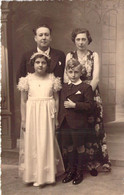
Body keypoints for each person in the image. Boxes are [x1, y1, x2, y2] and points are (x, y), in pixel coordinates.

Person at [64, 28, 111, 175]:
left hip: (90, 93)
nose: (81, 42)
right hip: (74, 95)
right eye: (78, 39)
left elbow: (95, 77)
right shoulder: (70, 55)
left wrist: (85, 93)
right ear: (74, 40)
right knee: (78, 128)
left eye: (83, 39)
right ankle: (79, 164)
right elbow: (66, 78)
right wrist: (76, 95)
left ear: (88, 40)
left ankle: (95, 162)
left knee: (94, 127)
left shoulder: (94, 55)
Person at [17, 52, 64, 187]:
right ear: (33, 64)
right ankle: (34, 175)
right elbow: (23, 101)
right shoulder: (27, 80)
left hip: (47, 114)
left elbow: (56, 99)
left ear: (47, 65)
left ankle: (46, 175)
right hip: (32, 114)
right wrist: (24, 120)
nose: (40, 65)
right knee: (33, 142)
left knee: (45, 141)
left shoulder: (52, 79)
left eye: (43, 63)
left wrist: (55, 119)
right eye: (37, 62)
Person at [58, 58, 94, 185]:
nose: (73, 75)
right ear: (67, 72)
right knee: (68, 147)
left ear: (81, 72)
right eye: (70, 72)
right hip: (65, 123)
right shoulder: (63, 87)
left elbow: (90, 106)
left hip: (79, 124)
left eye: (76, 72)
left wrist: (75, 105)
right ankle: (71, 171)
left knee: (79, 146)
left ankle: (79, 172)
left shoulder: (86, 87)